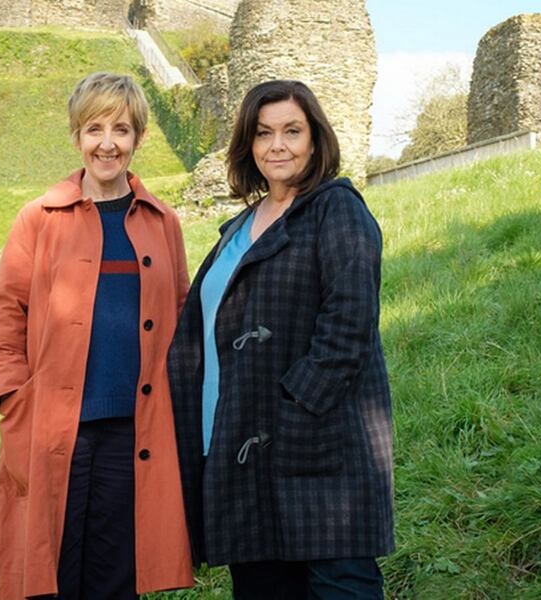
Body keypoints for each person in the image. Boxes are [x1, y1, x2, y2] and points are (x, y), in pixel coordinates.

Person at [168, 80, 395, 599]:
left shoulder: (336, 209)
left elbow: (349, 324)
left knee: (341, 586)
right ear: (248, 143)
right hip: (239, 449)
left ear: (315, 139)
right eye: (264, 133)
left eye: (292, 131)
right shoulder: (237, 227)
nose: (278, 145)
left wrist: (294, 407)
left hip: (318, 450)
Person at [0, 72, 194, 600]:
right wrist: (12, 396)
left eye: (121, 129)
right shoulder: (38, 219)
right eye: (94, 128)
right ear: (77, 136)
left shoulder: (163, 221)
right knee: (50, 575)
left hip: (136, 431)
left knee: (117, 577)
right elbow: (6, 313)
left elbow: (183, 313)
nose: (107, 143)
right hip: (54, 428)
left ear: (138, 138)